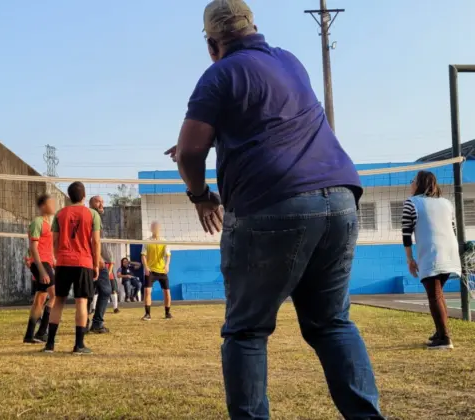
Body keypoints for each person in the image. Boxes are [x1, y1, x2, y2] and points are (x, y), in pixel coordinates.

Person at [169, 1, 383, 418]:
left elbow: (190, 153)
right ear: (255, 27)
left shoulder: (219, 74)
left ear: (212, 43)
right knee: (332, 324)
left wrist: (200, 195)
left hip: (272, 204)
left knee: (247, 332)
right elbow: (270, 122)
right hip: (340, 196)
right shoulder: (290, 61)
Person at [402, 171, 461, 350]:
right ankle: (440, 333)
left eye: (412, 181)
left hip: (432, 253)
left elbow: (406, 234)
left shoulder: (411, 203)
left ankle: (444, 338)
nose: (410, 184)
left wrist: (410, 259)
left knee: (434, 295)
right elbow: (453, 229)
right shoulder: (446, 203)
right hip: (450, 252)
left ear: (419, 183)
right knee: (438, 293)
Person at [45, 182, 100, 355]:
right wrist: (96, 264)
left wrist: (57, 256)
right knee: (81, 302)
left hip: (63, 262)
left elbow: (54, 240)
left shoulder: (60, 214)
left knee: (58, 301)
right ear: (84, 196)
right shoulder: (92, 214)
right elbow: (96, 242)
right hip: (83, 262)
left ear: (69, 196)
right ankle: (79, 345)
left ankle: (50, 345)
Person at [23, 194, 57, 344]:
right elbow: (33, 247)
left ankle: (30, 336)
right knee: (55, 295)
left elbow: (44, 246)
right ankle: (41, 333)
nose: (54, 205)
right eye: (51, 203)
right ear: (43, 205)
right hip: (41, 263)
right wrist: (41, 270)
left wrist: (53, 260)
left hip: (46, 262)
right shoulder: (38, 222)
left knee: (40, 299)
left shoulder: (47, 223)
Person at [88, 195, 113, 333]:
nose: (101, 204)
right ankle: (96, 323)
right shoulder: (91, 216)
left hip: (98, 261)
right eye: (98, 201)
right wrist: (98, 259)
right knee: (104, 291)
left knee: (90, 293)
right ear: (91, 203)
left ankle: (87, 323)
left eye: (102, 202)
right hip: (95, 261)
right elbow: (92, 240)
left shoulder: (98, 219)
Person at [141, 221, 172, 320]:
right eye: (153, 226)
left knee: (167, 292)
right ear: (151, 229)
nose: (155, 228)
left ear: (159, 228)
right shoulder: (147, 241)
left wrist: (167, 265)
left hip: (162, 270)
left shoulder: (164, 241)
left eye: (157, 226)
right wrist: (145, 267)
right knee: (147, 291)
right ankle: (147, 314)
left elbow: (168, 255)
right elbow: (143, 256)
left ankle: (167, 313)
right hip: (150, 271)